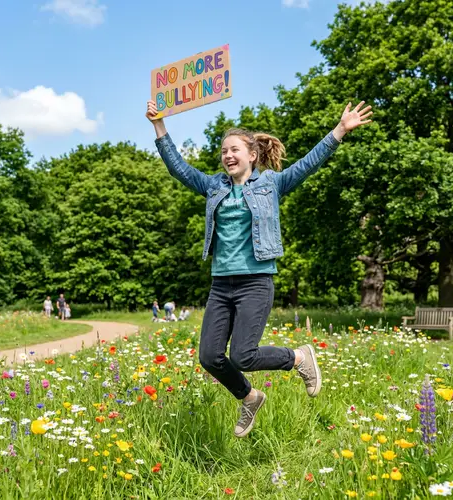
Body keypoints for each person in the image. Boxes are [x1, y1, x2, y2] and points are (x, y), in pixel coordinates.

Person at [146, 98, 372, 438]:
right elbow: (179, 167)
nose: (227, 156)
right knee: (209, 356)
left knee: (243, 355)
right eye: (223, 151)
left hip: (255, 282)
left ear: (252, 155)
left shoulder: (271, 184)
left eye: (234, 149)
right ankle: (250, 397)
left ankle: (299, 357)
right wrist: (159, 125)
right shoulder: (213, 187)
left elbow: (308, 164)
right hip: (222, 284)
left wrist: (340, 130)